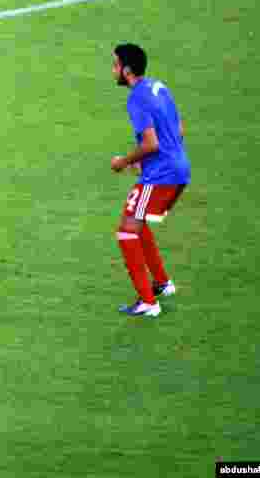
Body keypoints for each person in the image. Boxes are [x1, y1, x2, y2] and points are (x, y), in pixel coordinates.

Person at [110, 43, 190, 317]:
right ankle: (162, 284)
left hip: (162, 175)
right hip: (179, 170)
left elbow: (151, 143)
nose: (114, 70)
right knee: (139, 223)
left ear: (127, 70)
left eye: (116, 65)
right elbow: (179, 128)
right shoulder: (159, 86)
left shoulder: (136, 99)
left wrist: (125, 161)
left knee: (126, 230)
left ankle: (147, 303)